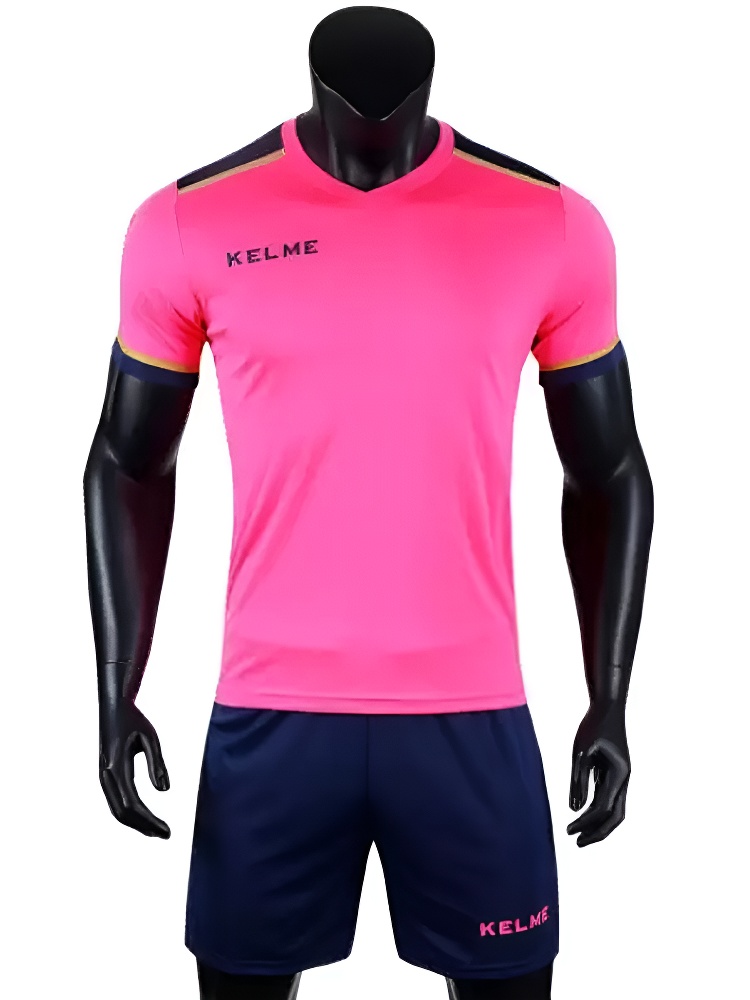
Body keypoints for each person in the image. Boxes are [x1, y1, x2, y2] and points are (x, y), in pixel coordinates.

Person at [83, 7, 653, 1000]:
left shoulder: (552, 225)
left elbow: (610, 471)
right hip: (270, 715)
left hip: (473, 714)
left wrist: (611, 696)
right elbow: (127, 462)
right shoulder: (187, 223)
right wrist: (113, 688)